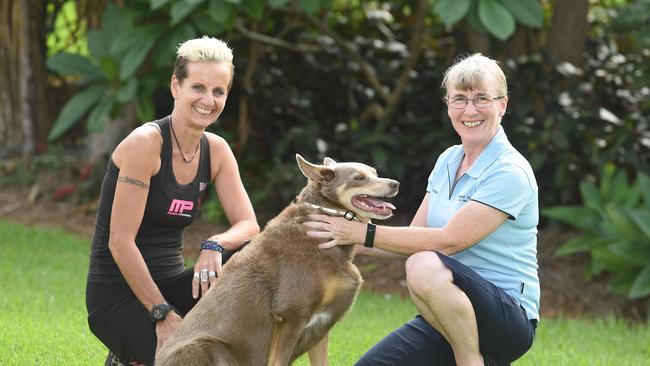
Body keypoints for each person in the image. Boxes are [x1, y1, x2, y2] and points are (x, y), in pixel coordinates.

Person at [304, 53, 539, 366]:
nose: (470, 110)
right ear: (448, 106)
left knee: (423, 264)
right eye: (460, 99)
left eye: (482, 98)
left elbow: (447, 241)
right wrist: (331, 238)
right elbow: (415, 236)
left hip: (506, 320)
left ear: (503, 104)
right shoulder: (448, 160)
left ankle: (471, 362)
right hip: (447, 319)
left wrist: (361, 231)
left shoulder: (510, 171)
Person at [85, 36, 260, 366]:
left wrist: (215, 245)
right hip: (119, 297)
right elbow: (120, 242)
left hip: (174, 287)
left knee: (248, 253)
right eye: (198, 87)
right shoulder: (146, 144)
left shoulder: (217, 150)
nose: (208, 100)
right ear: (175, 86)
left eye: (218, 91)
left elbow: (249, 226)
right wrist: (162, 314)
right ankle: (127, 355)